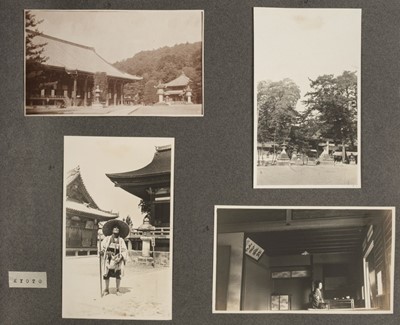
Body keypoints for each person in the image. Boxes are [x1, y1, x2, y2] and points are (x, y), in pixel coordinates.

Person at [100, 219, 129, 296]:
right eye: (115, 228)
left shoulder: (121, 240)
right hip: (108, 259)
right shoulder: (107, 238)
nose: (116, 229)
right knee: (106, 274)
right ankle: (106, 289)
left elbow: (124, 250)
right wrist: (102, 252)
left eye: (117, 228)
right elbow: (102, 247)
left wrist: (121, 256)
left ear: (119, 230)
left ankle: (118, 290)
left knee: (118, 275)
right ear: (112, 230)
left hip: (117, 259)